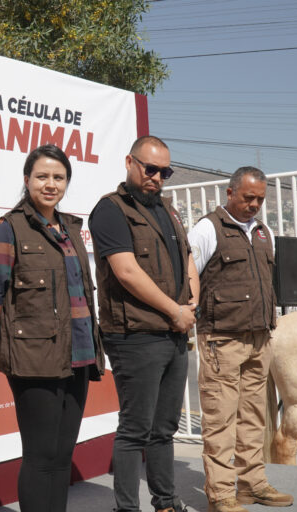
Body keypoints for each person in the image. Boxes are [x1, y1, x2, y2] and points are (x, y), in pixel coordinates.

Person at [0, 144, 105, 512]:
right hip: (35, 360)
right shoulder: (9, 229)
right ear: (27, 180)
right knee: (39, 456)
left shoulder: (69, 227)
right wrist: (15, 346)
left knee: (61, 456)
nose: (50, 184)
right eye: (42, 176)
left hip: (80, 355)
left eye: (58, 177)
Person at [88, 135, 199, 512]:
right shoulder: (110, 210)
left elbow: (187, 260)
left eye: (164, 172)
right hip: (134, 336)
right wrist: (175, 310)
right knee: (135, 430)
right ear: (130, 162)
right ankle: (127, 508)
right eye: (150, 168)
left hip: (173, 333)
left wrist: (192, 302)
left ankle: (165, 504)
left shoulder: (168, 210)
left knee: (164, 430)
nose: (157, 177)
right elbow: (127, 272)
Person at [188, 167, 292, 512]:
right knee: (221, 421)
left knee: (253, 417)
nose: (254, 204)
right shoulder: (207, 228)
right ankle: (220, 495)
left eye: (260, 198)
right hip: (222, 340)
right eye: (248, 197)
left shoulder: (265, 233)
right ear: (230, 193)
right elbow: (190, 278)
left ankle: (252, 485)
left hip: (260, 338)